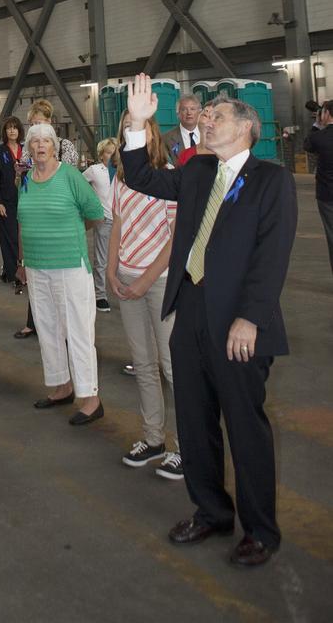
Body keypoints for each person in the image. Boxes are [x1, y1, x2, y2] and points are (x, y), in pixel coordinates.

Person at [122, 75, 297, 567]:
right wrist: (137, 123)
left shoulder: (271, 180)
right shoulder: (198, 171)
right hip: (192, 311)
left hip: (240, 321)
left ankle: (260, 530)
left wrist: (251, 319)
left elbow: (272, 256)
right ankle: (211, 512)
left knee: (245, 427)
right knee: (195, 422)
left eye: (217, 115)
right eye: (206, 113)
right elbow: (141, 177)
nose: (206, 118)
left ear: (247, 129)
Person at [107, 112, 182, 480]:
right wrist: (110, 270)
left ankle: (186, 448)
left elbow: (174, 239)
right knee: (143, 364)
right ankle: (154, 438)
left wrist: (144, 280)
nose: (131, 132)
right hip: (126, 277)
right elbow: (117, 224)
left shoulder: (169, 176)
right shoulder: (121, 177)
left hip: (161, 281)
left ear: (153, 134)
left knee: (172, 365)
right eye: (126, 127)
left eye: (138, 126)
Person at [15, 122, 104, 425]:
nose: (40, 146)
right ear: (28, 148)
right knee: (48, 328)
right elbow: (22, 221)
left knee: (78, 331)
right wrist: (22, 261)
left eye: (46, 141)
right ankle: (61, 386)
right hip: (37, 266)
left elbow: (95, 212)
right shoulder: (26, 179)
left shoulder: (70, 176)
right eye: (35, 141)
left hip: (69, 265)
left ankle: (91, 397)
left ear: (55, 147)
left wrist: (73, 232)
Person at [13, 98, 79, 338]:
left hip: (59, 217)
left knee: (60, 281)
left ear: (50, 123)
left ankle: (63, 327)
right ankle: (34, 321)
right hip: (35, 213)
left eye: (39, 122)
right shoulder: (29, 147)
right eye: (31, 124)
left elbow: (71, 178)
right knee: (35, 271)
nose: (35, 128)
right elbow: (26, 179)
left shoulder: (66, 147)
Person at [82, 138, 116, 313]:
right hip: (104, 220)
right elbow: (79, 184)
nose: (112, 156)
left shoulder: (122, 171)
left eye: (115, 152)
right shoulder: (94, 171)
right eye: (109, 152)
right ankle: (100, 295)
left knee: (122, 259)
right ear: (102, 154)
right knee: (101, 259)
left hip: (122, 221)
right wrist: (91, 205)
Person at [0, 115, 24, 288]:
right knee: (9, 237)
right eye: (9, 128)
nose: (12, 130)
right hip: (6, 201)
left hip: (25, 200)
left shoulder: (26, 150)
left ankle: (23, 271)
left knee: (23, 239)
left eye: (15, 127)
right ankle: (12, 273)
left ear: (19, 131)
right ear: (5, 131)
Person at [304, 99, 333, 275]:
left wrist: (317, 124)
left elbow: (307, 145)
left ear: (326, 114)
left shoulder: (319, 137)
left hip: (327, 195)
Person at [163, 94, 203, 164]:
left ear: (199, 113)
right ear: (178, 114)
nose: (189, 113)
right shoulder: (166, 139)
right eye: (184, 109)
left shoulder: (208, 134)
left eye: (192, 109)